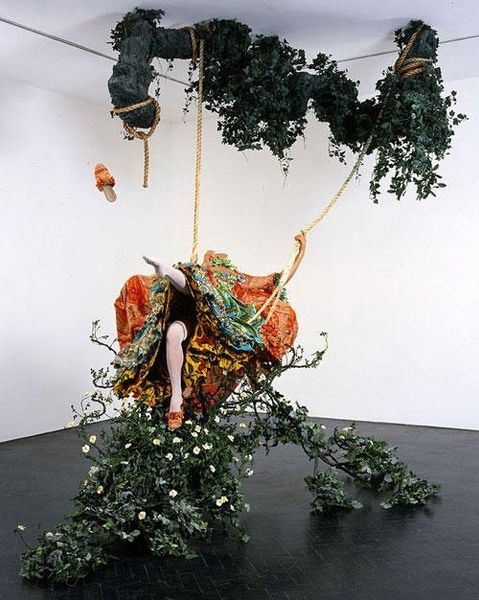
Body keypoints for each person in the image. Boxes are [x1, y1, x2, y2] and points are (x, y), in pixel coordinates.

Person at [112, 233, 306, 430]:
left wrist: (301, 250)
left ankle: (168, 271)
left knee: (192, 295)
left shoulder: (237, 279)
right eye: (211, 257)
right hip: (187, 313)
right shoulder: (201, 271)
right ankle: (176, 398)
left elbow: (281, 279)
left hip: (211, 327)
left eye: (218, 258)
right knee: (174, 331)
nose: (213, 256)